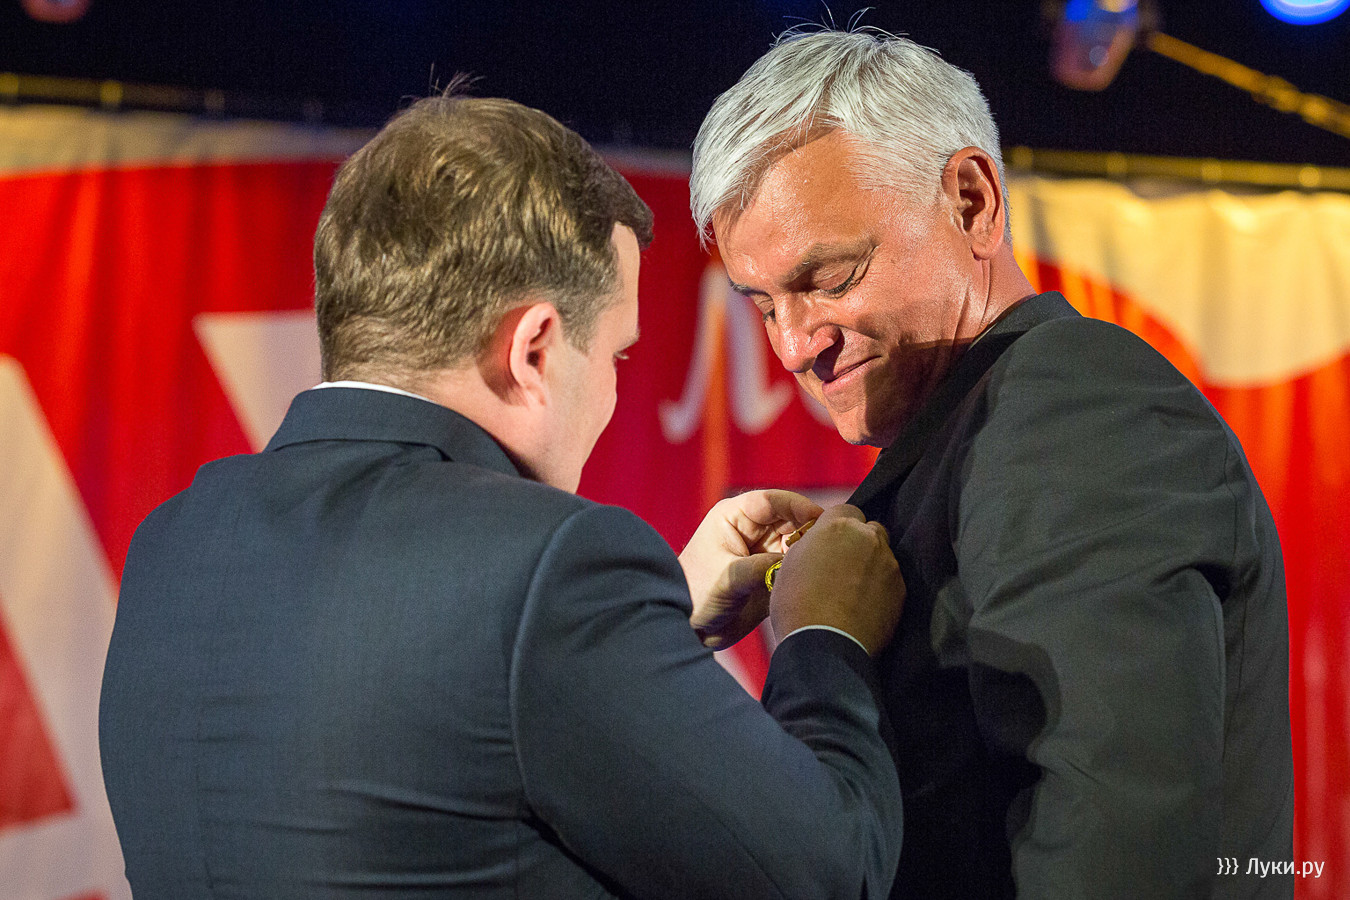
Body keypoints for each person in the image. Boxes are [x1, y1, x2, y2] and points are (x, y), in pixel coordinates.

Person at [98, 91, 908, 898]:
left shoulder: (172, 544)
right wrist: (823, 635)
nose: (611, 390)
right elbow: (834, 872)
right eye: (616, 356)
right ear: (534, 351)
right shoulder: (549, 565)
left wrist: (643, 635)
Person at [691, 27, 1294, 900]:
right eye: (763, 305)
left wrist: (822, 642)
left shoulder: (1073, 404)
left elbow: (1118, 847)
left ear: (972, 202)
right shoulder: (976, 437)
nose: (793, 346)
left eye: (830, 277)